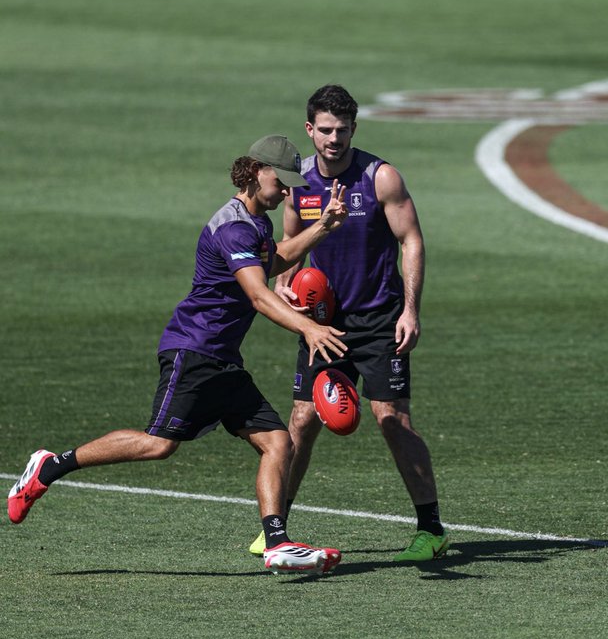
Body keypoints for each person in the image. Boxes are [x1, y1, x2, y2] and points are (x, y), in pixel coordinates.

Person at [8, 136, 351, 580]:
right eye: (280, 181)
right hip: (193, 350)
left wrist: (323, 227)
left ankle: (277, 544)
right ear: (254, 171)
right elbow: (257, 294)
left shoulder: (257, 223)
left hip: (224, 360)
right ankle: (50, 465)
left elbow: (274, 260)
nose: (287, 191)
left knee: (277, 442)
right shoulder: (234, 227)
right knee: (159, 444)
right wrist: (308, 327)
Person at [247, 83, 448, 564]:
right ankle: (277, 530)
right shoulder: (299, 186)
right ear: (309, 130)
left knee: (391, 419)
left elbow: (412, 240)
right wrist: (285, 287)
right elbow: (289, 250)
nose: (333, 139)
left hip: (379, 319)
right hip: (323, 324)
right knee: (302, 419)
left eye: (342, 130)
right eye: (325, 130)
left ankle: (431, 529)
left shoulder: (381, 178)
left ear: (354, 129)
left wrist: (411, 310)